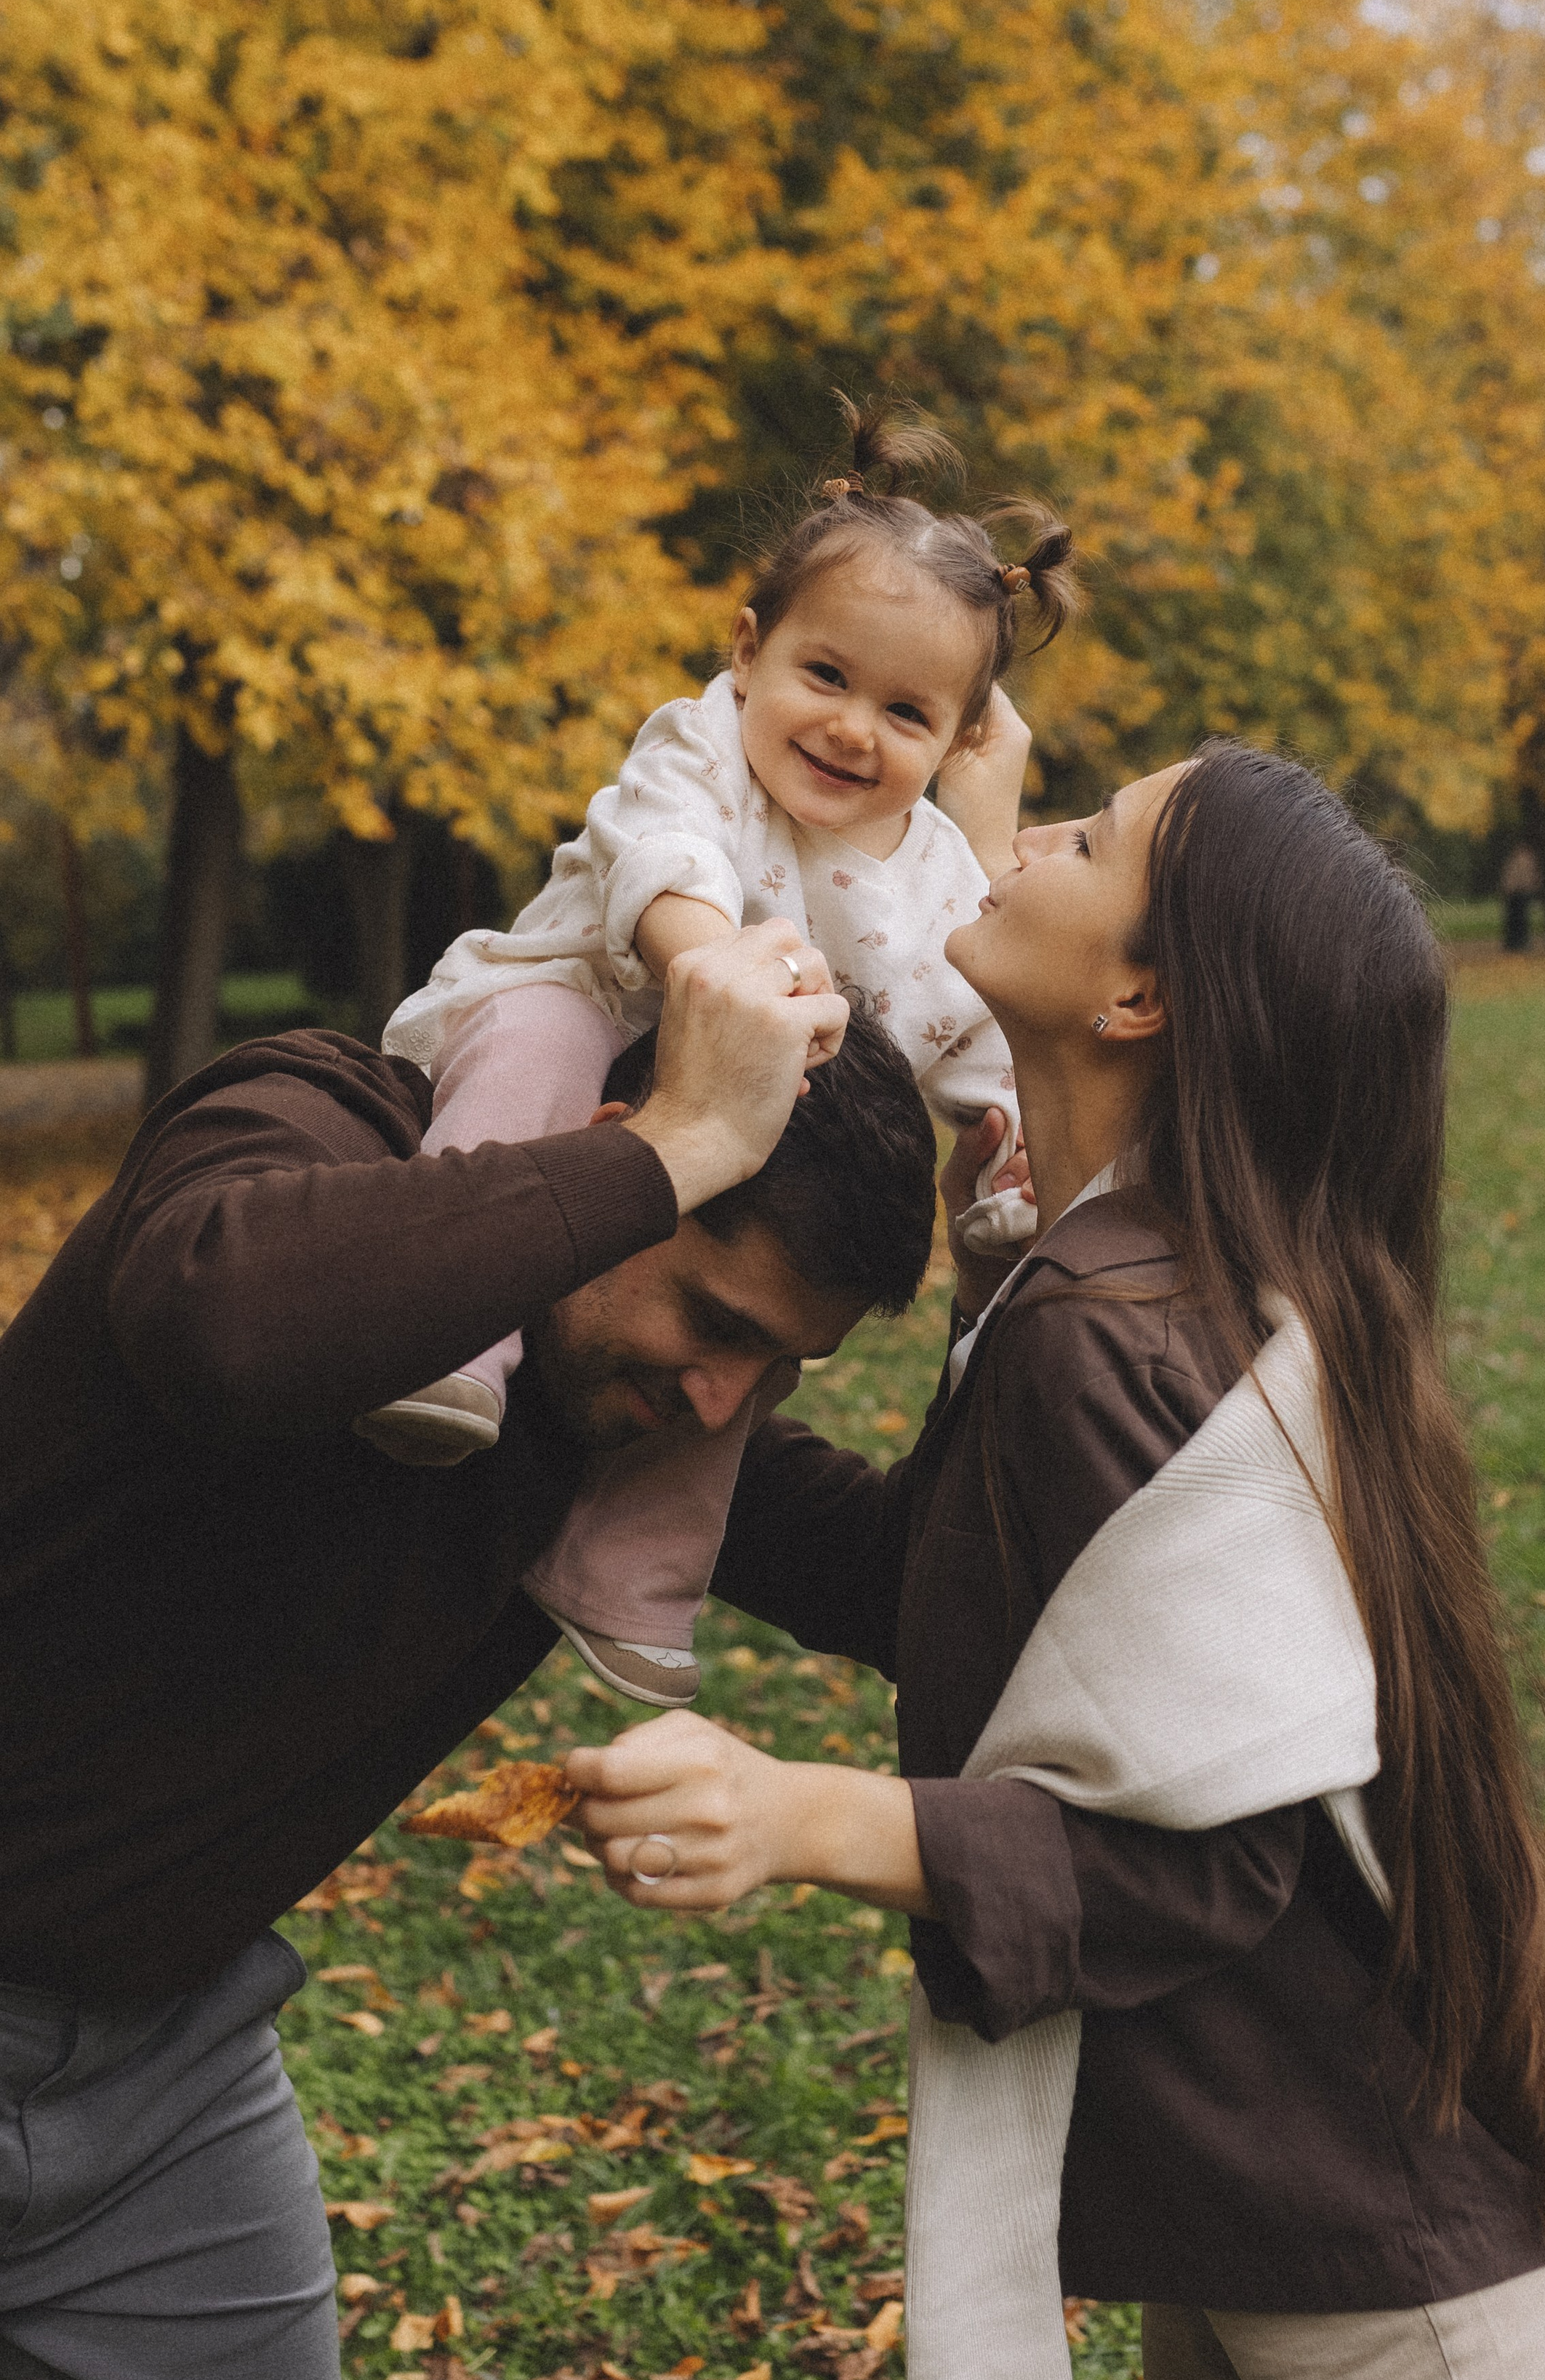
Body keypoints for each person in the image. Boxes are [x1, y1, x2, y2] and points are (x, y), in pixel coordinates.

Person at [569, 747, 1545, 2380]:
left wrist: (799, 1819)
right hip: (1278, 2208)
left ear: (1141, 994)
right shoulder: (1121, 1269)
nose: (1024, 838)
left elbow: (1213, 1858)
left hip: (1408, 2232)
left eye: (1086, 841)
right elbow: (960, 1594)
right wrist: (624, 1378)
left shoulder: (1123, 1325)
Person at [0, 923, 940, 2380]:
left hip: (156, 2079)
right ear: (607, 1126)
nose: (720, 1396)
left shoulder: (625, 1415)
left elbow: (918, 1586)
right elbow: (221, 1318)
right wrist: (664, 1152)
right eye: (717, 1317)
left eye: (775, 1369)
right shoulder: (309, 1122)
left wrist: (1066, 1261)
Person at [361, 398, 1075, 1710]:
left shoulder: (932, 876)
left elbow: (961, 1026)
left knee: (728, 1349)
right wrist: (711, 967)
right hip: (594, 999)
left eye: (907, 713)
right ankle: (438, 1329)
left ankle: (633, 1571)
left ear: (958, 741)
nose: (855, 730)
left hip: (737, 1122)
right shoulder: (701, 746)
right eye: (827, 677)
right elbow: (662, 859)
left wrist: (1012, 1145)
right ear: (749, 650)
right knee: (538, 1039)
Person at [1500, 836, 1542, 952]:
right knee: (1518, 920)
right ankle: (1516, 943)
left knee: (1520, 920)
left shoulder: (1522, 859)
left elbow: (1520, 877)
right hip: (1519, 893)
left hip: (1520, 893)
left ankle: (1518, 943)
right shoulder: (1522, 859)